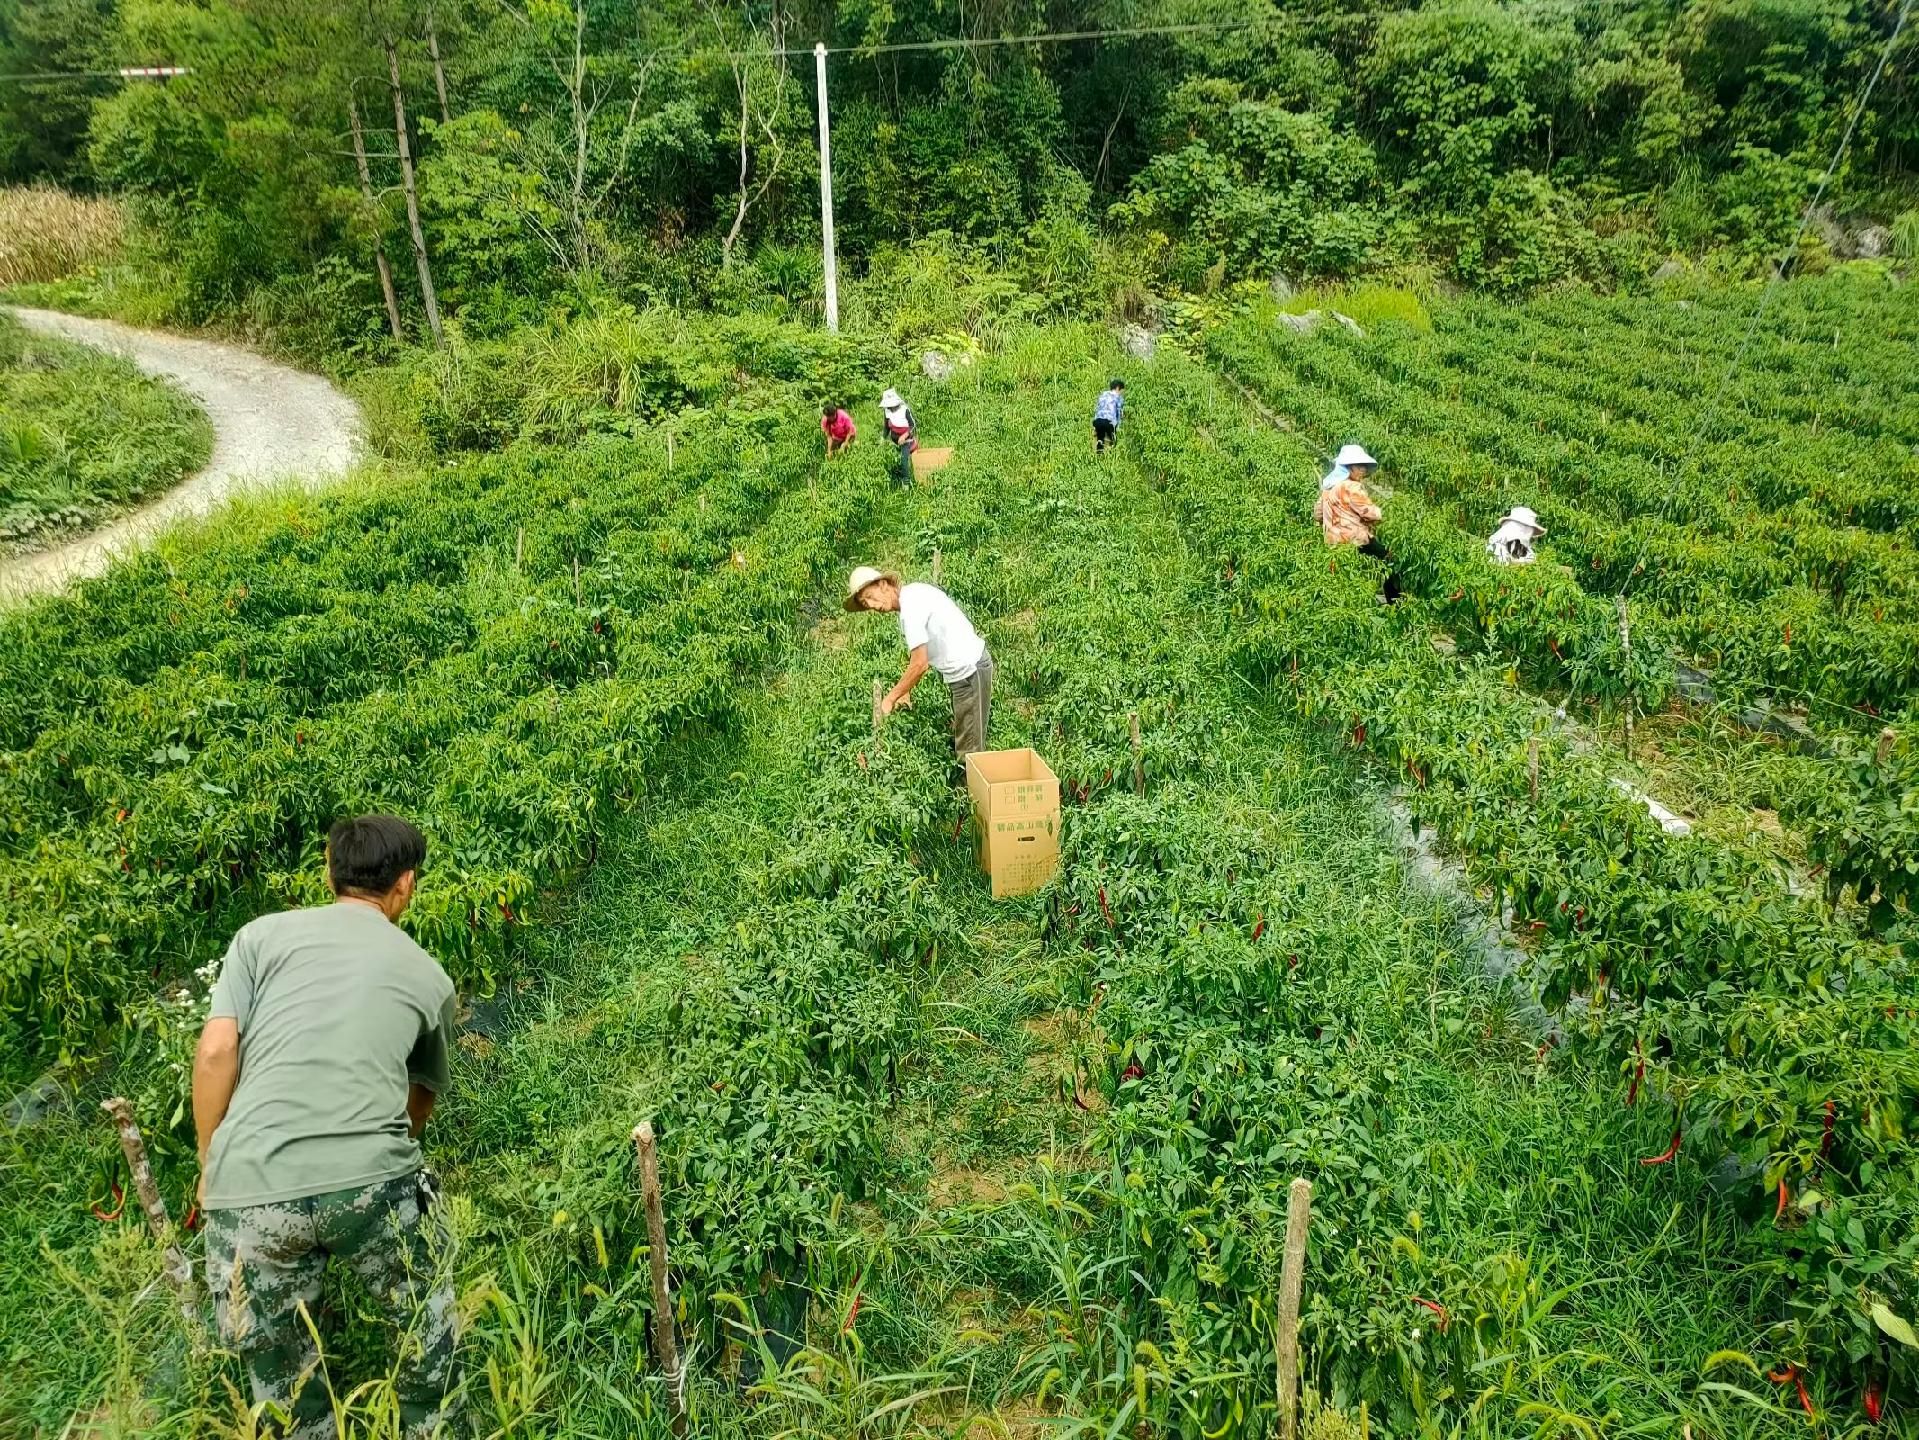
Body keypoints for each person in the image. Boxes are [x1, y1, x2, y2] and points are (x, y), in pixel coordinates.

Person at [194, 814, 460, 1440]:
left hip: (250, 1185)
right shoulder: (429, 975)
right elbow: (421, 1096)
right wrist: (387, 1156)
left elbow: (214, 1053)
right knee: (426, 1340)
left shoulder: (259, 939)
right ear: (405, 886)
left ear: (328, 873)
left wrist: (214, 1162)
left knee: (280, 1391)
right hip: (370, 1181)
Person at [845, 565, 992, 781]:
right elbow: (920, 650)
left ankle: (975, 807)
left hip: (969, 674)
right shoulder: (914, 595)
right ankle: (981, 798)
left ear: (883, 585)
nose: (873, 606)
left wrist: (891, 697)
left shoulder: (910, 610)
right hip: (975, 665)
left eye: (870, 597)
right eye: (866, 604)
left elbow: (920, 663)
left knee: (968, 752)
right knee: (972, 740)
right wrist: (906, 690)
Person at [1313, 460, 1402, 602]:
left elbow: (1318, 514)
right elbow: (1370, 512)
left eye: (1364, 467)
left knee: (1344, 571)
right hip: (1356, 539)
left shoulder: (1329, 487)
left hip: (1333, 541)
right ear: (1348, 469)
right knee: (1388, 560)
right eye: (1359, 467)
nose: (1363, 470)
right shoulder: (1351, 487)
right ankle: (1394, 600)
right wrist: (1384, 515)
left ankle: (1342, 600)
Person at [880, 388, 918, 486]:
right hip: (894, 441)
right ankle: (893, 479)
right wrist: (883, 439)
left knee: (903, 459)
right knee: (890, 460)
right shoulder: (887, 411)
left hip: (907, 440)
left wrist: (904, 436)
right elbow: (886, 427)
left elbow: (913, 425)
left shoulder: (904, 410)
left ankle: (906, 482)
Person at [1093, 378, 1126, 452]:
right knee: (1111, 442)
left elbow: (1097, 408)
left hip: (1097, 421)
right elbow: (1118, 412)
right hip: (1109, 422)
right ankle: (1108, 453)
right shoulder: (1118, 397)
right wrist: (1118, 427)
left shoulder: (1103, 395)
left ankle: (1099, 449)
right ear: (1118, 388)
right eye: (1121, 391)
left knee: (1099, 438)